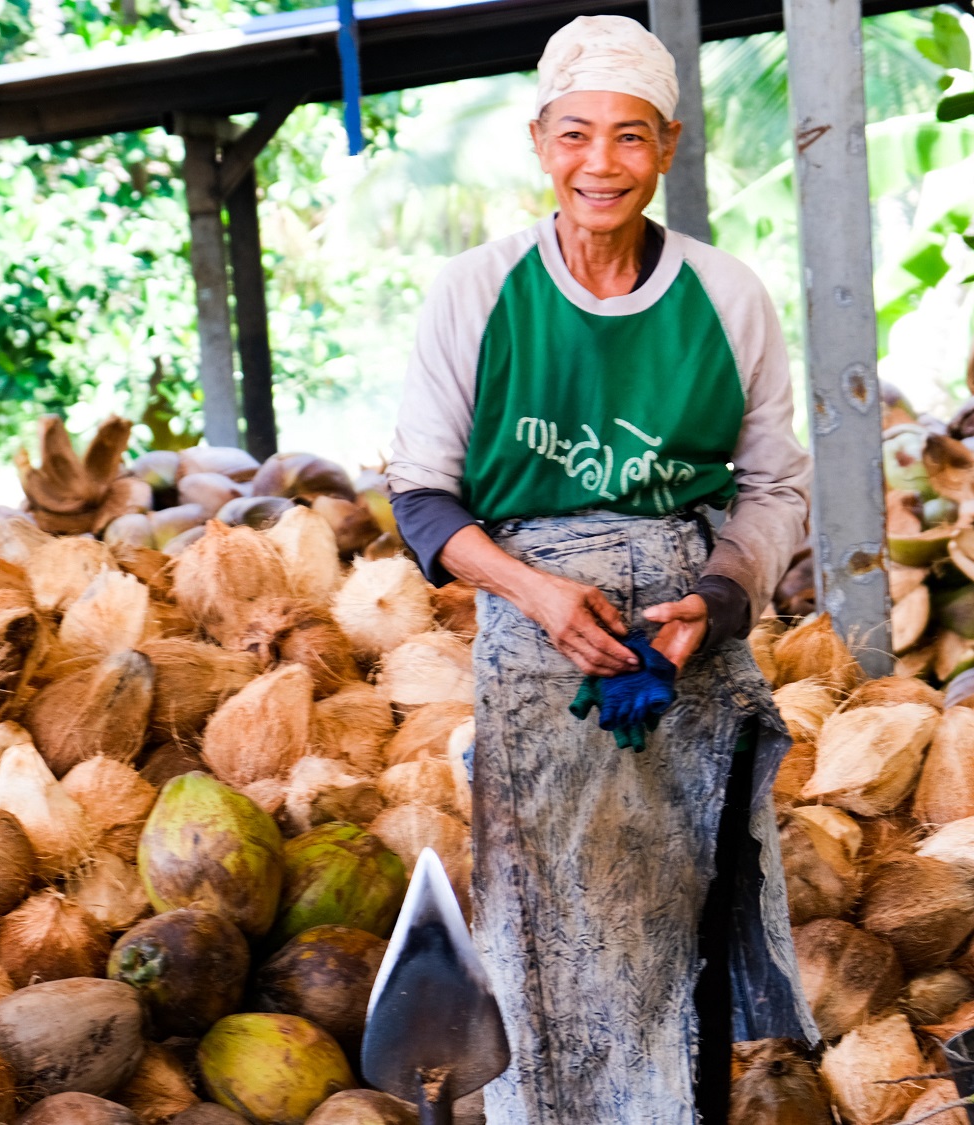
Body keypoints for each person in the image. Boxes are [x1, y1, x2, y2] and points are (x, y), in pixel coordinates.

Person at [386, 15, 817, 1124]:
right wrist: (534, 589)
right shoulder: (478, 293)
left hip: (686, 641)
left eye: (631, 139)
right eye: (577, 135)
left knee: (682, 920)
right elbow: (425, 499)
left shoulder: (728, 296)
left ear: (668, 148)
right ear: (540, 141)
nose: (602, 165)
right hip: (536, 641)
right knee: (549, 923)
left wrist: (718, 603)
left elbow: (773, 487)